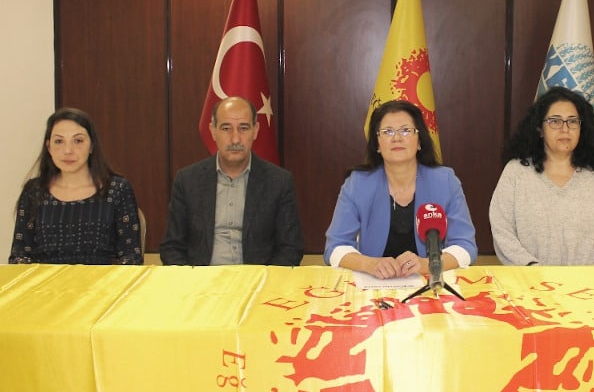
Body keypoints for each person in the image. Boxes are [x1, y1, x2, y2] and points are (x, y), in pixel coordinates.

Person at [324, 100, 477, 279]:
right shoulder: (358, 183)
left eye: (406, 130)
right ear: (377, 144)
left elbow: (466, 247)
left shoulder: (445, 181)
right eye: (388, 131)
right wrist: (370, 264)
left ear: (419, 141)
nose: (397, 138)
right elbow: (334, 248)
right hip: (374, 284)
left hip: (428, 282)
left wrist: (427, 264)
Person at [489, 87, 594, 266]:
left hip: (592, 281)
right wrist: (534, 271)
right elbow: (502, 232)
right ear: (540, 129)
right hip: (530, 280)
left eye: (572, 121)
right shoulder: (516, 172)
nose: (565, 129)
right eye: (555, 121)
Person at [159, 96, 303, 266]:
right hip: (202, 278)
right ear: (213, 131)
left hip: (257, 279)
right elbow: (172, 247)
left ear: (255, 130)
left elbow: (290, 249)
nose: (235, 139)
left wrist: (265, 279)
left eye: (244, 128)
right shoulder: (188, 181)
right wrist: (192, 279)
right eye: (226, 128)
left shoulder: (279, 182)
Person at [9, 108, 143, 265]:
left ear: (92, 146)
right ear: (49, 147)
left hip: (102, 280)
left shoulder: (117, 189)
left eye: (78, 141)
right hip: (47, 280)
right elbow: (19, 256)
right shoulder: (34, 191)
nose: (68, 150)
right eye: (59, 141)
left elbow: (131, 257)